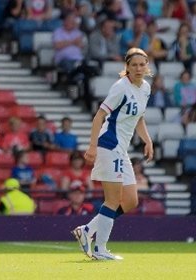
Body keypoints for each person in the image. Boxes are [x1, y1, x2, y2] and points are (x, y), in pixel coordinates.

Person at [71, 47, 154, 260]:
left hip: (121, 149)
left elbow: (139, 117)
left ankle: (88, 231)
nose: (138, 68)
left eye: (141, 64)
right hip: (109, 145)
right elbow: (99, 116)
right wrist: (91, 146)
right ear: (126, 67)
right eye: (133, 65)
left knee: (131, 200)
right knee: (113, 199)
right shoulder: (120, 88)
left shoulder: (145, 88)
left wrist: (147, 140)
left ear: (147, 67)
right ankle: (100, 250)